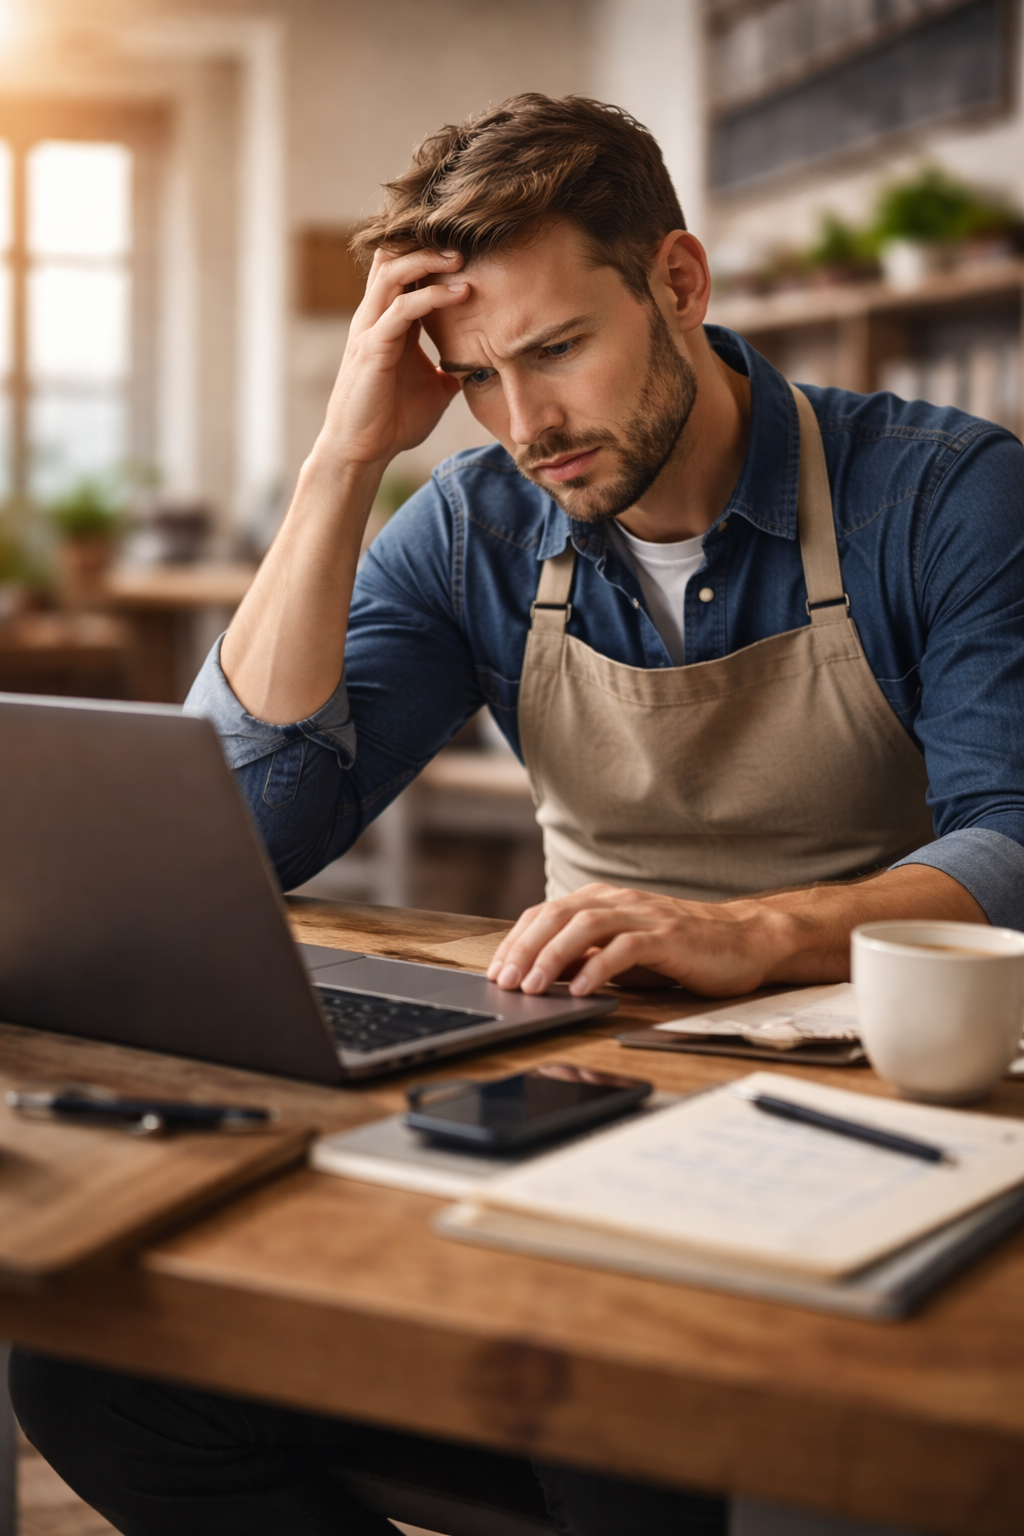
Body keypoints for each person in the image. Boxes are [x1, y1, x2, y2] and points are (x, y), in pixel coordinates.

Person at [11, 93, 1023, 1535]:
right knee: (92, 1374)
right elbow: (249, 837)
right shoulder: (478, 518)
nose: (525, 424)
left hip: (864, 1106)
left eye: (556, 350)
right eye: (477, 376)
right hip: (585, 1082)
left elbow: (1015, 843)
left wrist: (761, 932)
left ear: (679, 282)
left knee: (607, 1394)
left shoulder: (942, 496)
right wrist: (343, 462)